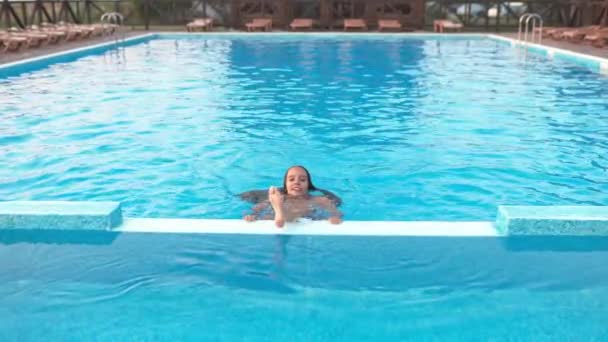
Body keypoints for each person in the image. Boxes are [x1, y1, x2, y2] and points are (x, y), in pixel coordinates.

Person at [243, 166, 343, 227]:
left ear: (308, 185)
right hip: (285, 217)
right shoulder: (279, 198)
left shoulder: (320, 200)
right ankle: (281, 214)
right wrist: (251, 216)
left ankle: (280, 214)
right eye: (291, 180)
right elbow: (255, 209)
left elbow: (337, 213)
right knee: (267, 216)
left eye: (302, 180)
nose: (297, 182)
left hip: (305, 218)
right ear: (285, 185)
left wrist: (334, 218)